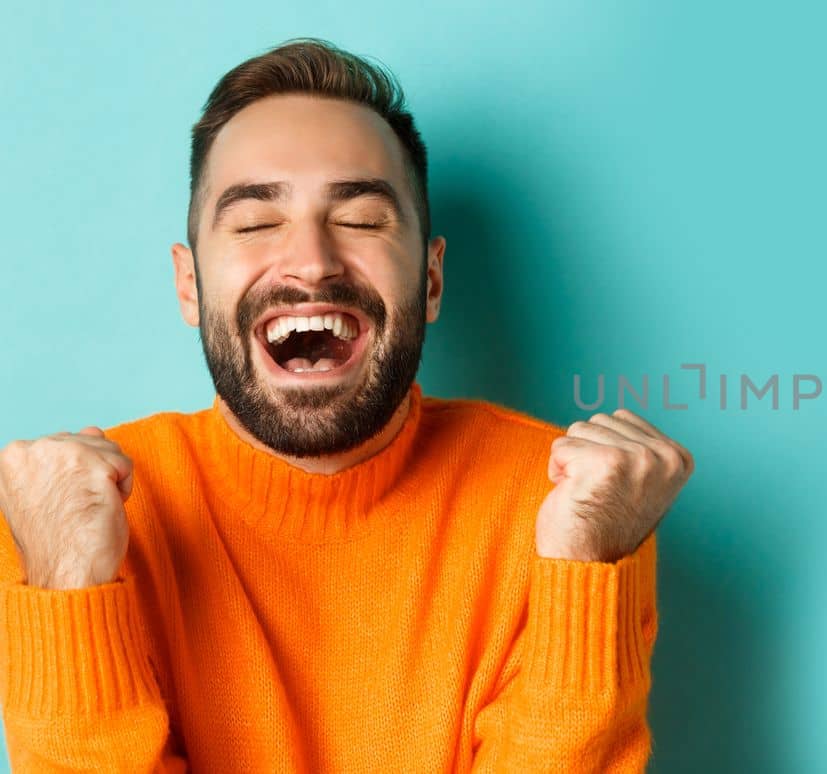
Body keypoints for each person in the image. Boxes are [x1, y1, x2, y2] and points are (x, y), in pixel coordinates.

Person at [0, 38, 692, 773]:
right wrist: (69, 588)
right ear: (189, 285)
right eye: (256, 222)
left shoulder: (568, 507)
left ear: (429, 281)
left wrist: (586, 567)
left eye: (361, 219)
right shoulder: (66, 518)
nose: (312, 260)